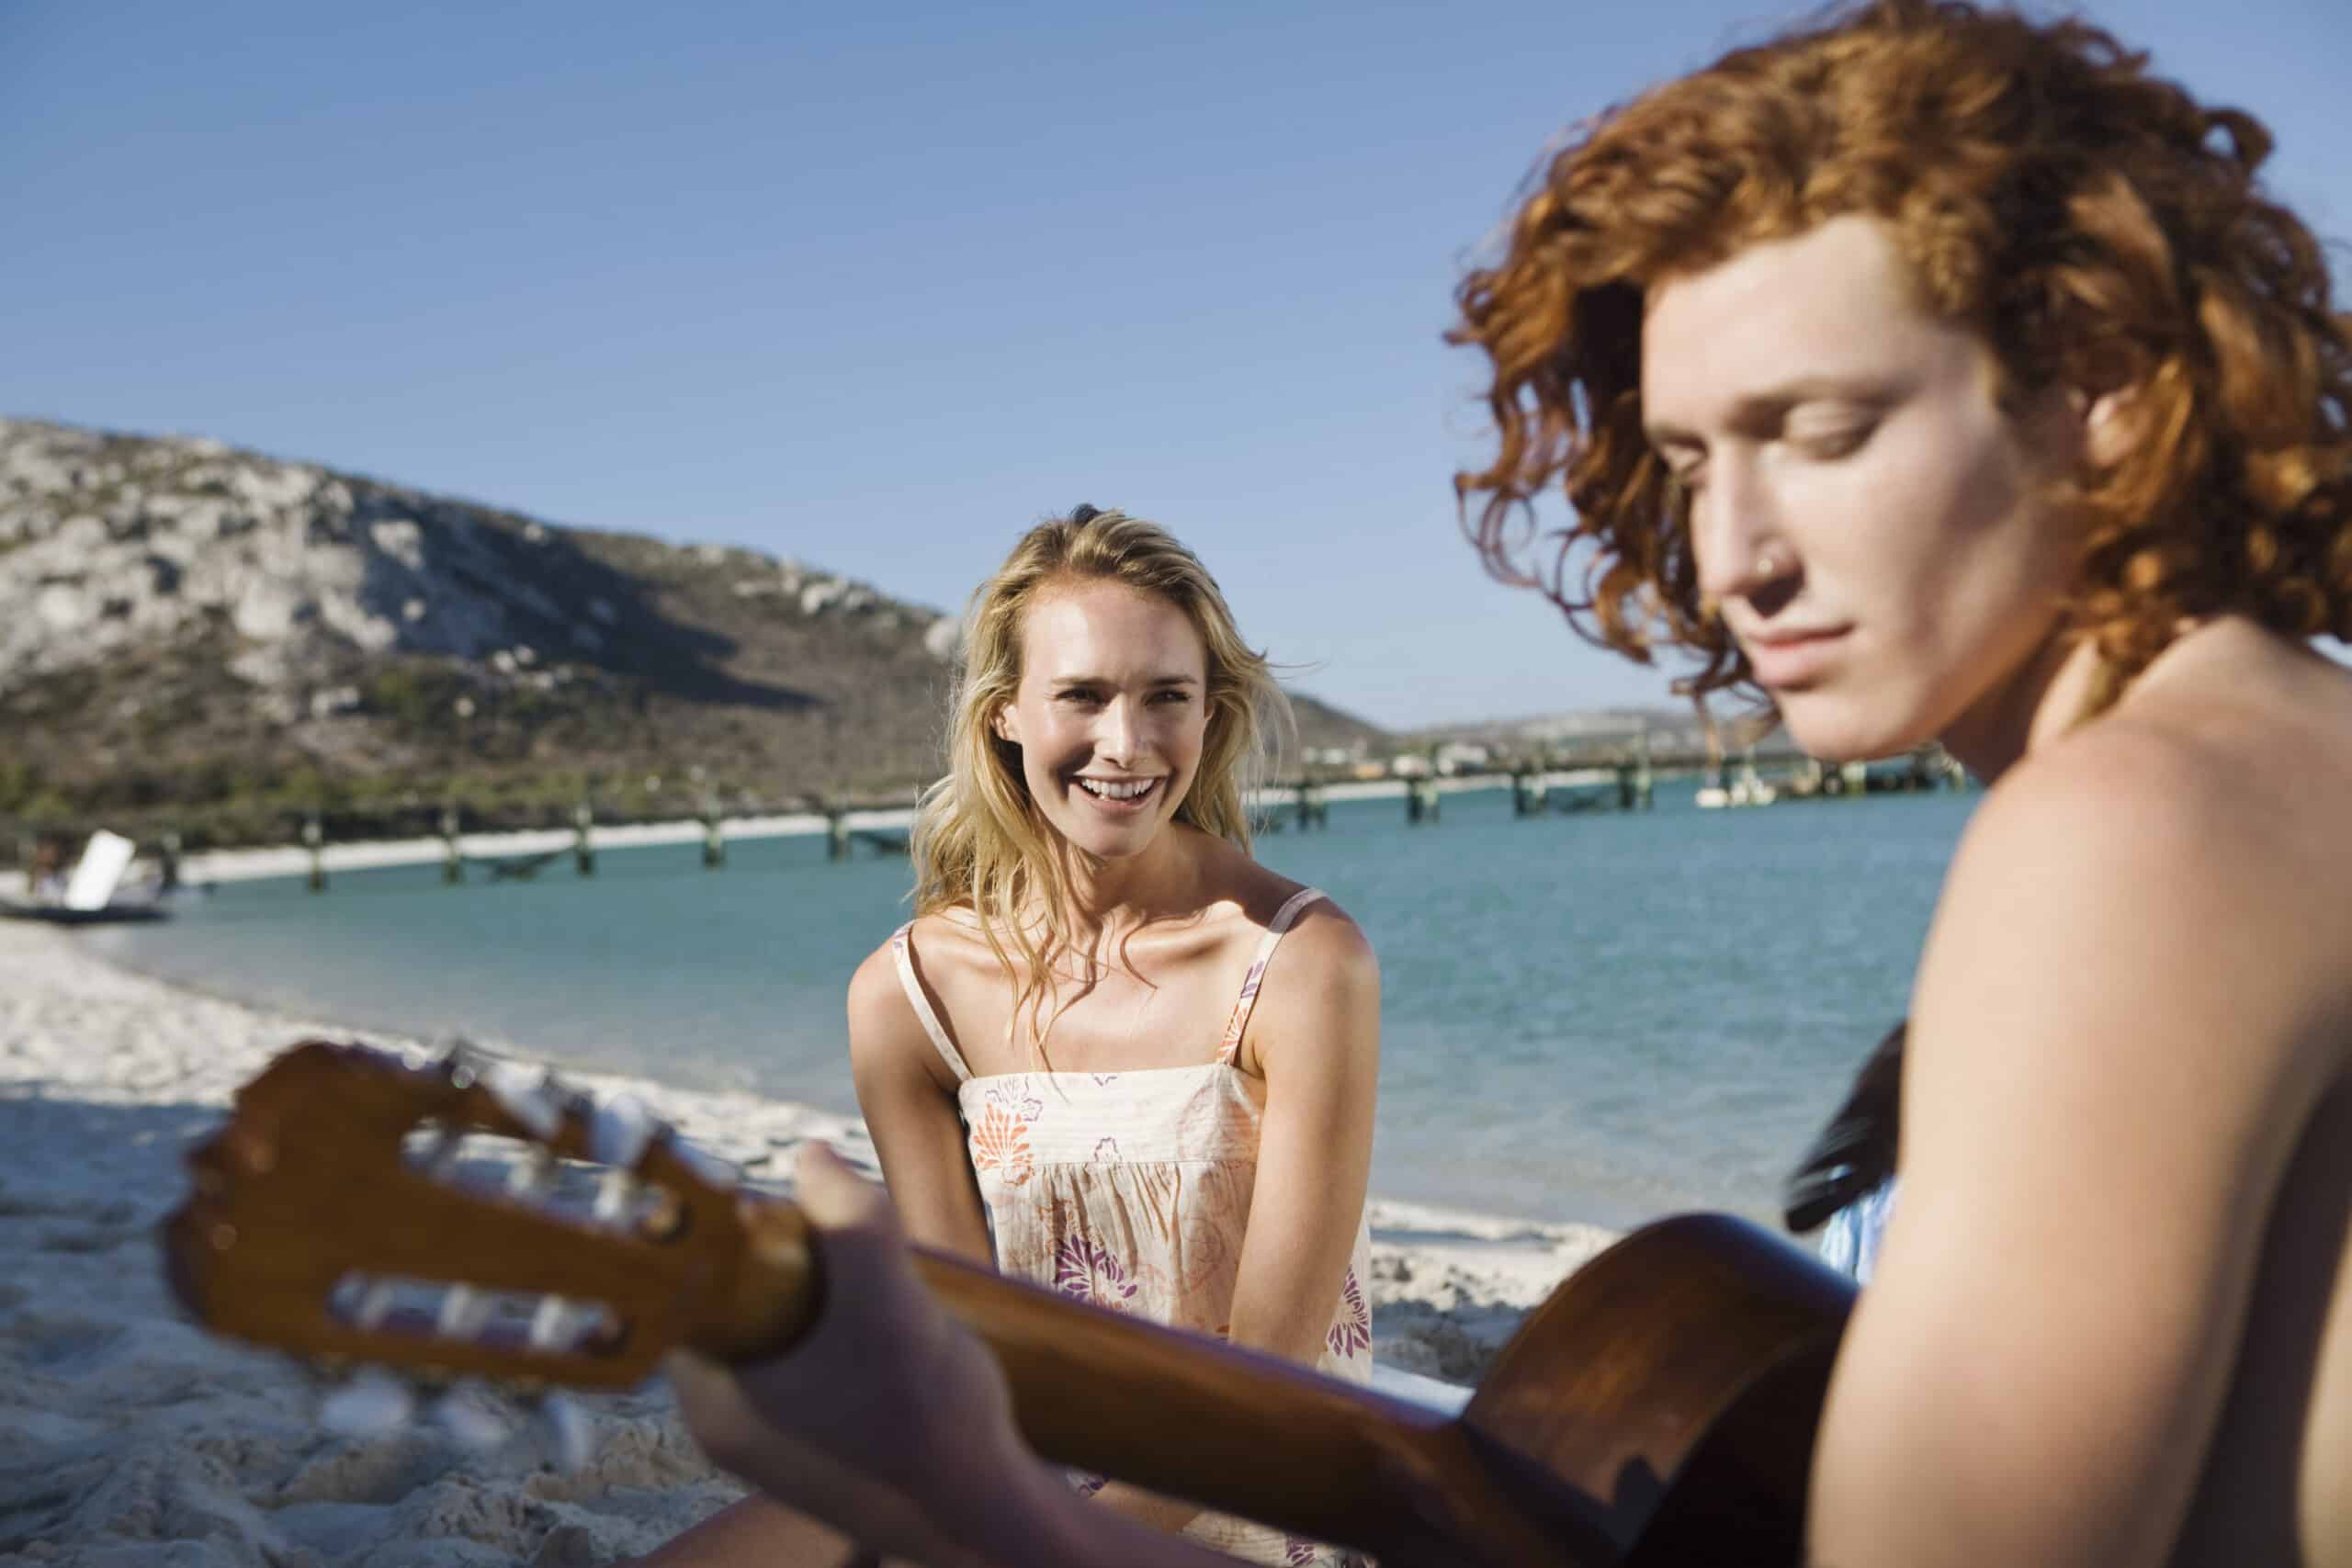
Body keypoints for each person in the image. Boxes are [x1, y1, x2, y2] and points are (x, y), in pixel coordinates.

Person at [662, 3, 2352, 1562]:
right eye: (1691, 459)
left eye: (1823, 431)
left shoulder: (2138, 825)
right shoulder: (2268, 758)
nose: (1733, 553)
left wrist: (943, 1473)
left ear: (2106, 387)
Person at [643, 505, 1381, 1568]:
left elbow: (1272, 1372)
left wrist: (1040, 1538)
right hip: (1013, 1480)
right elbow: (961, 1340)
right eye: (1081, 695)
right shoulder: (911, 996)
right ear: (1005, 717)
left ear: (1210, 716)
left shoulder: (1301, 964)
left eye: (1165, 698)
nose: (1123, 745)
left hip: (1245, 1493)